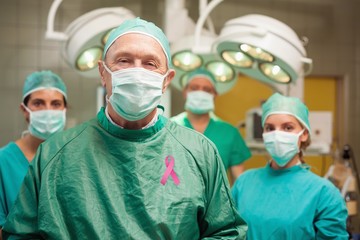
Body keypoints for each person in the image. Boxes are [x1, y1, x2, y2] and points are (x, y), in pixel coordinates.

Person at [2, 18, 247, 239]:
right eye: (124, 61)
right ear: (103, 73)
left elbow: (225, 232)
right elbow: (22, 234)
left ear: (167, 80)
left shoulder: (200, 152)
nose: (136, 72)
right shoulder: (54, 154)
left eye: (150, 63)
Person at [231, 92, 348, 239]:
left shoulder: (324, 193)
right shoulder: (244, 183)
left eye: (287, 128)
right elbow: (227, 232)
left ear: (304, 134)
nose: (277, 135)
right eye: (270, 128)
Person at [0, 70, 67, 239]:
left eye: (56, 104)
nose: (48, 111)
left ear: (65, 109)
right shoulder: (3, 162)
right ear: (24, 110)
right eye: (38, 103)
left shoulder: (78, 158)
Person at [171, 68, 252, 182]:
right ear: (185, 92)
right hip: (177, 198)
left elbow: (239, 181)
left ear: (215, 95)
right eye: (194, 88)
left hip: (216, 199)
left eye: (206, 90)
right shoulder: (169, 128)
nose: (200, 93)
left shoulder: (229, 132)